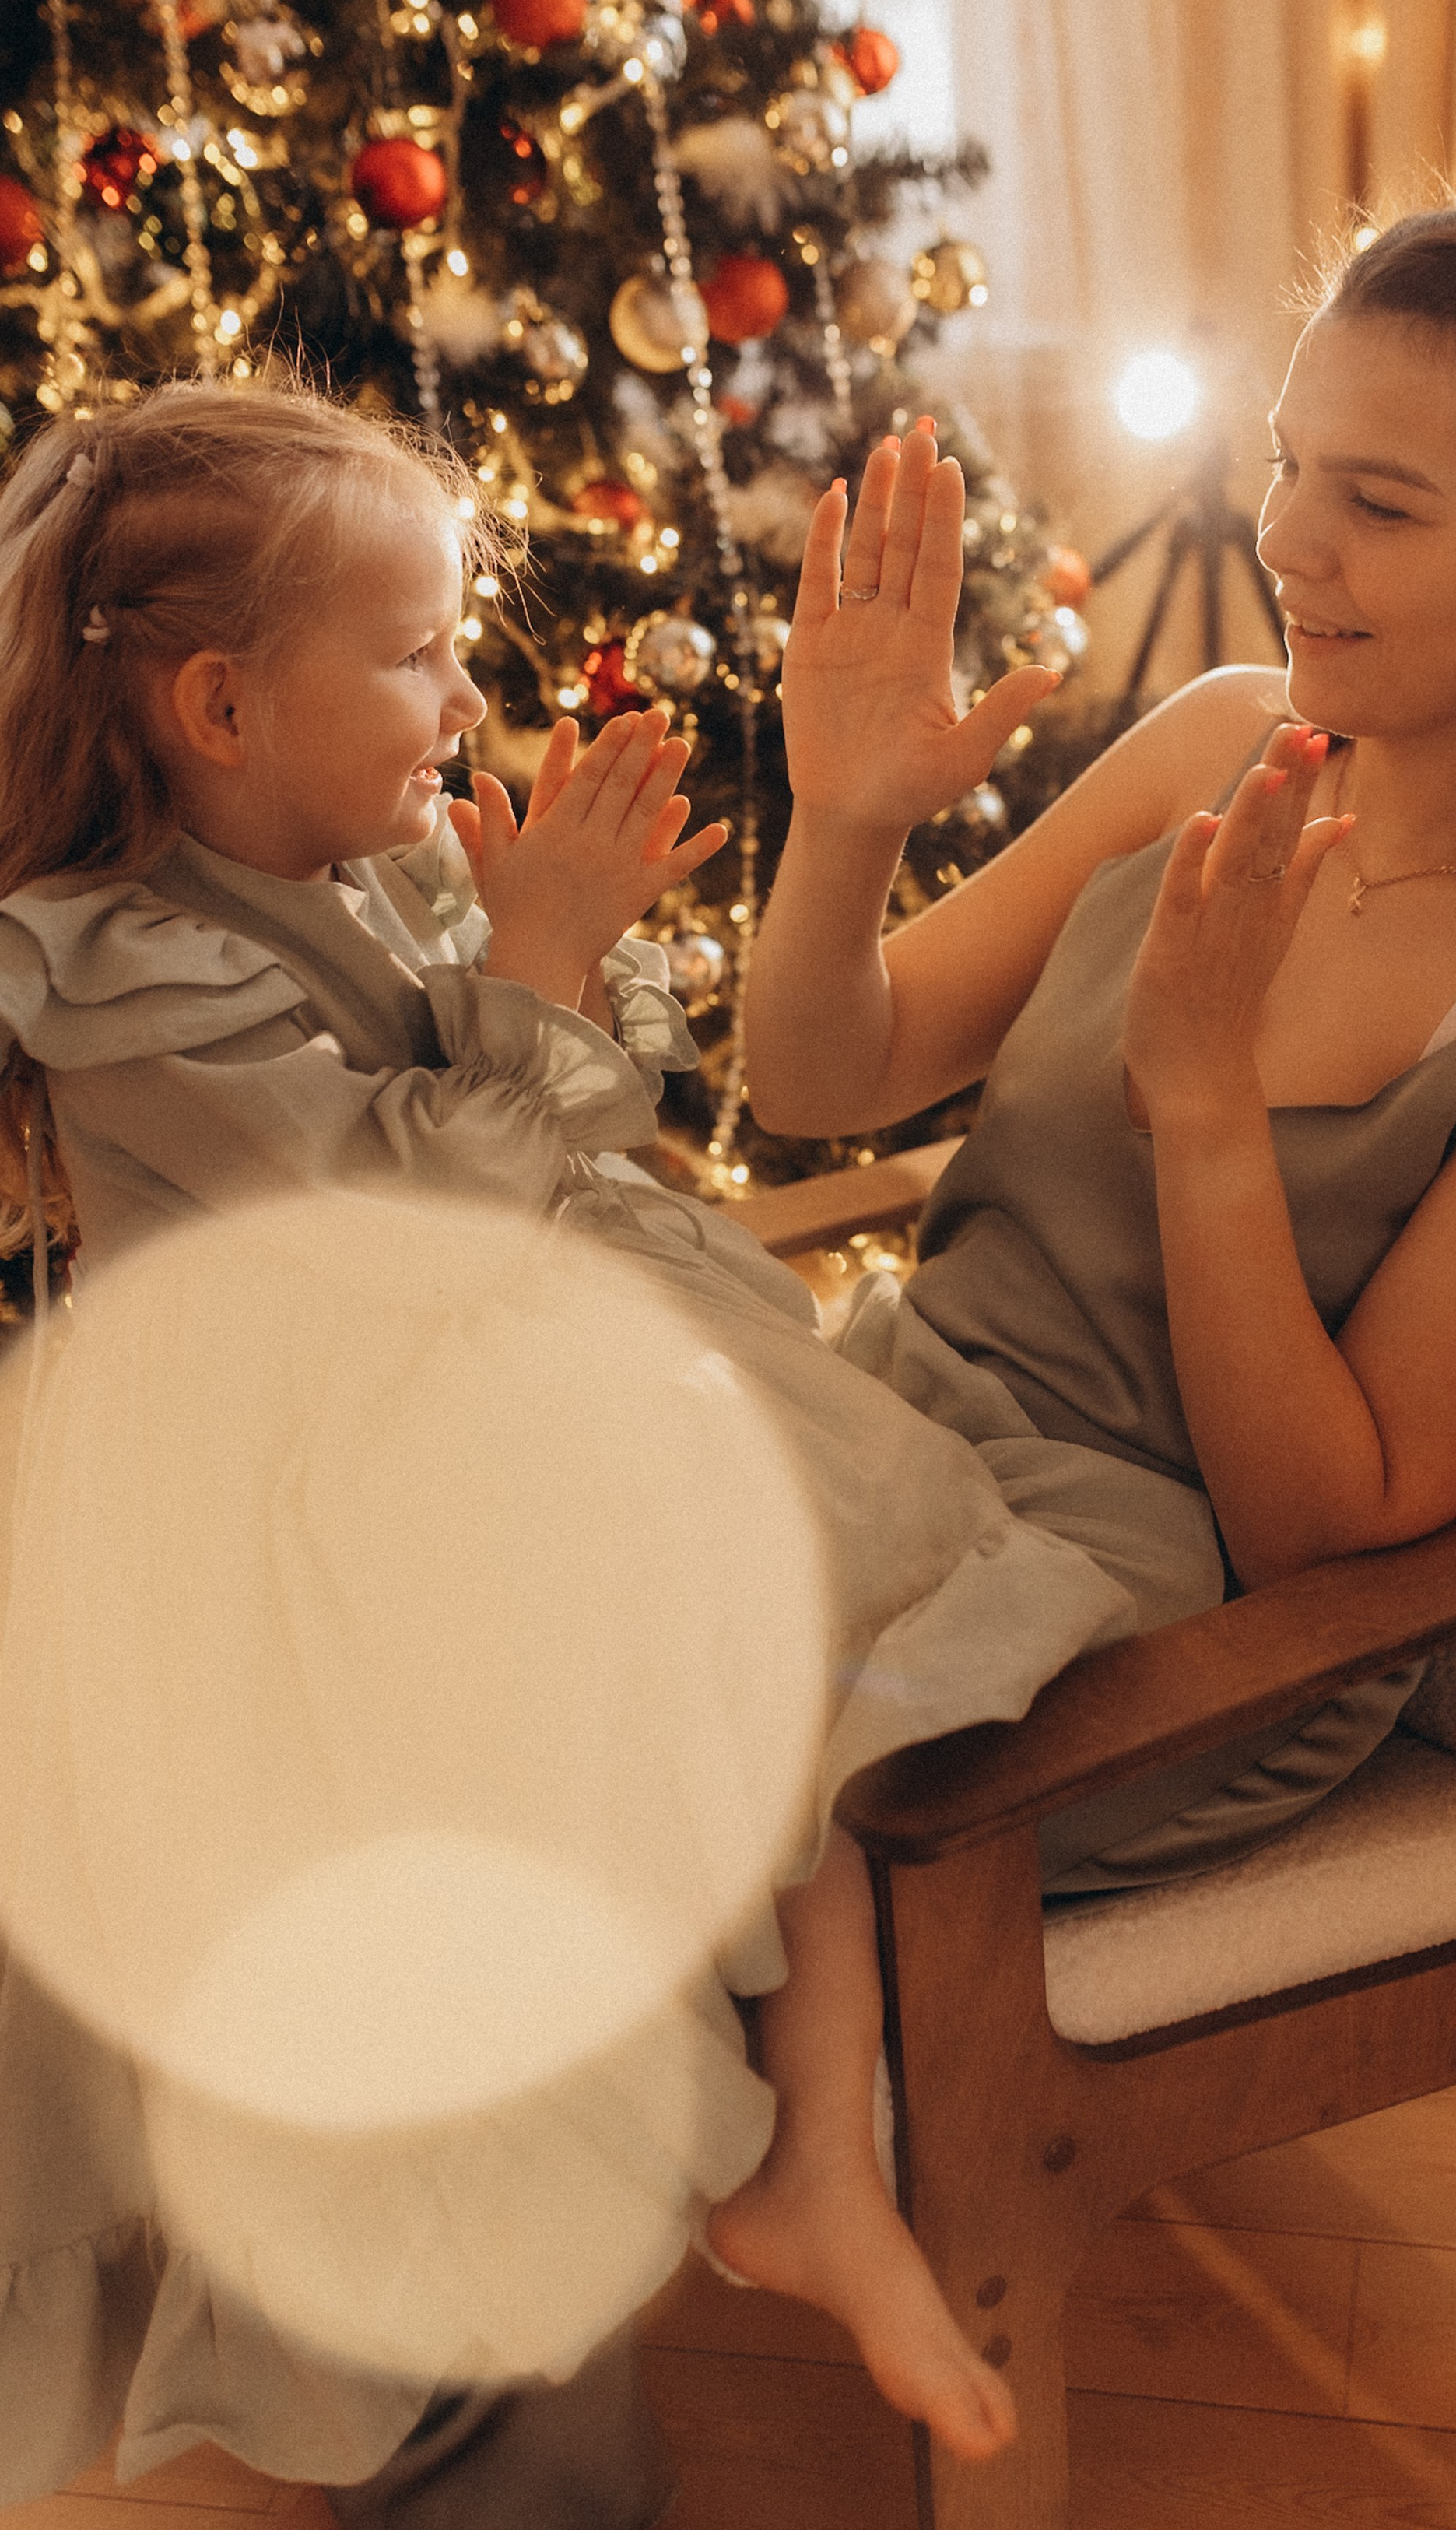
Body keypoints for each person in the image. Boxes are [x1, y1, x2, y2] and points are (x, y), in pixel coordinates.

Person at [0, 379, 1155, 2516]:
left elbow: (601, 1103)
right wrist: (529, 965)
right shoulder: (113, 969)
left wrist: (560, 953)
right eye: (422, 651)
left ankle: (770, 2171)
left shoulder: (402, 856)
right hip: (277, 1513)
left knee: (768, 1640)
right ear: (224, 706)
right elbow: (390, 1234)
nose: (470, 693)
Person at [746, 201, 1456, 1890]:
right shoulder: (1219, 737)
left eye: (1377, 503)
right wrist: (843, 821)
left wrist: (1207, 1107)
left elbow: (1320, 1533)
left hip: (1159, 1641)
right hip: (891, 1437)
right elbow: (822, 1082)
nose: (1285, 538)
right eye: (1289, 464)